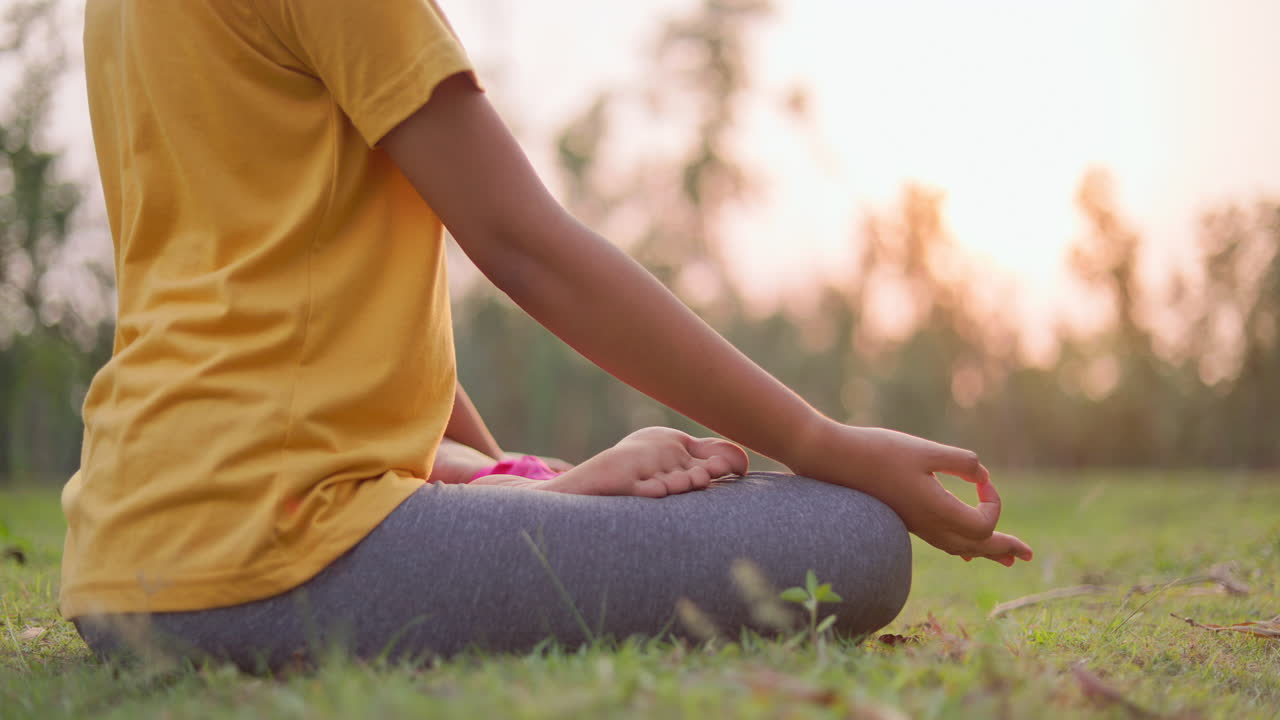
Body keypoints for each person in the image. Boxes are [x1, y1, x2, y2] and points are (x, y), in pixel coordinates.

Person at [65, 0, 1032, 671]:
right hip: (269, 553)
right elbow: (526, 247)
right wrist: (830, 444)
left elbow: (283, 313)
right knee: (846, 536)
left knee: (626, 502)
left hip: (121, 555)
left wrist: (520, 485)